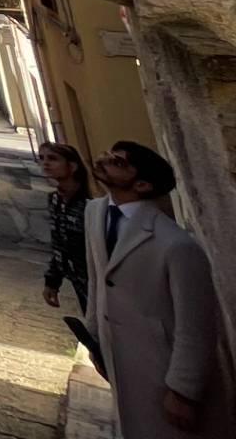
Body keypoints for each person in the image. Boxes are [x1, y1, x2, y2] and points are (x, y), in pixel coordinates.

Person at [85, 141, 234, 438]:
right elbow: (95, 278)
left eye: (118, 162)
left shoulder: (177, 245)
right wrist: (94, 339)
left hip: (160, 365)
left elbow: (197, 325)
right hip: (119, 357)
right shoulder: (95, 213)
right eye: (109, 153)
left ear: (141, 184)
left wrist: (183, 390)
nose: (104, 159)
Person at [39, 142, 92, 313]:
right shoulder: (55, 200)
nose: (45, 163)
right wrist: (52, 281)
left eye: (53, 159)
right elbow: (59, 244)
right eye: (42, 158)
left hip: (99, 283)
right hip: (78, 281)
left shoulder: (90, 204)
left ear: (73, 166)